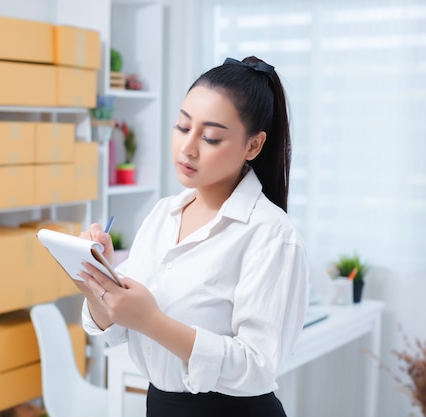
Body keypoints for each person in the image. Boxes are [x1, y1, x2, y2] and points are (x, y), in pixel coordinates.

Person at [75, 56, 309, 417]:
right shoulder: (161, 215)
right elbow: (117, 332)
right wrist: (98, 287)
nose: (188, 147)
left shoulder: (271, 234)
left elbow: (258, 366)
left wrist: (151, 320)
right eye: (183, 127)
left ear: (253, 146)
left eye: (211, 137)